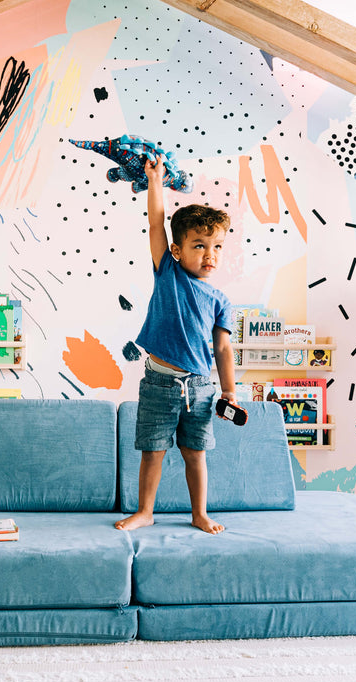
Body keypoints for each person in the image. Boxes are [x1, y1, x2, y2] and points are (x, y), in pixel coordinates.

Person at [115, 157, 237, 535]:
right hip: (158, 384)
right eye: (199, 246)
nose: (209, 255)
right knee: (152, 451)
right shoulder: (167, 272)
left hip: (200, 389)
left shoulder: (220, 299)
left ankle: (199, 514)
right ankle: (145, 511)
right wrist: (155, 181)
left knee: (195, 453)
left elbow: (223, 350)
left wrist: (230, 390)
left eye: (216, 246)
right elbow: (155, 222)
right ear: (177, 250)